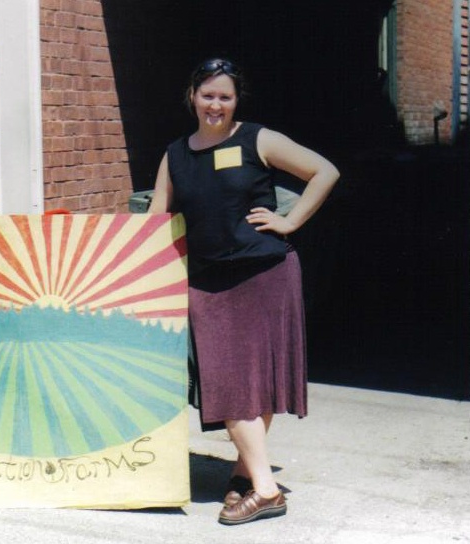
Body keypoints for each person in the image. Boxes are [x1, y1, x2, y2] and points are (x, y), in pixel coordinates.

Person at [148, 58, 339, 525]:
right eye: (208, 95)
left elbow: (325, 171)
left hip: (265, 275)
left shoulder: (258, 139)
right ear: (192, 96)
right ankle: (247, 476)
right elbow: (155, 218)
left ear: (236, 102)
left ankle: (265, 490)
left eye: (225, 97)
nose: (215, 104)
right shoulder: (175, 155)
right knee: (232, 386)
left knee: (251, 385)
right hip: (207, 284)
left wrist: (290, 221)